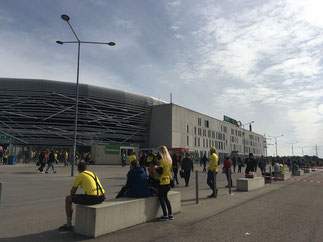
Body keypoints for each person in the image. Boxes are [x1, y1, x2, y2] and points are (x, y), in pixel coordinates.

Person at [59, 161, 105, 231]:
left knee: (68, 199)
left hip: (93, 198)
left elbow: (73, 191)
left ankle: (69, 225)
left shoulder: (80, 176)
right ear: (86, 168)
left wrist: (73, 197)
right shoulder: (92, 173)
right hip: (101, 197)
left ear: (78, 169)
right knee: (86, 195)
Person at [155, 145, 173, 221]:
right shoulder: (169, 160)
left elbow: (160, 171)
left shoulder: (162, 160)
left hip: (161, 181)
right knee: (166, 197)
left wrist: (156, 168)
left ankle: (165, 215)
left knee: (161, 198)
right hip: (167, 180)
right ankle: (170, 214)